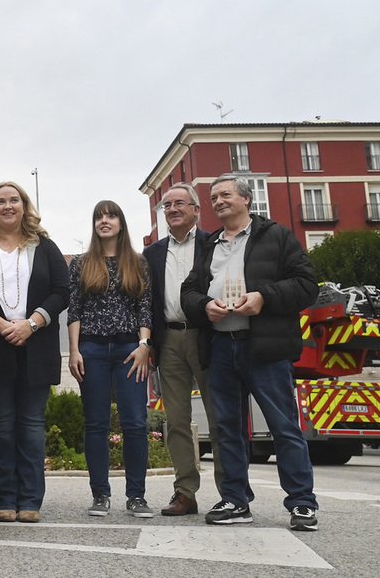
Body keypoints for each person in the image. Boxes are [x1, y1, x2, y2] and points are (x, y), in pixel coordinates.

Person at [181, 174, 319, 531]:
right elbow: (189, 292)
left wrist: (264, 297)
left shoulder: (276, 235)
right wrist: (204, 306)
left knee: (283, 426)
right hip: (221, 347)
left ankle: (302, 503)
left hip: (266, 349)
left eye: (225, 195)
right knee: (228, 429)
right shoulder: (209, 244)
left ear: (246, 198)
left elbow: (307, 286)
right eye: (213, 197)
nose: (218, 202)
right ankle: (236, 500)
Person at [0, 181, 69, 523]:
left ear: (24, 206)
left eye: (14, 200)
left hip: (36, 345)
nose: (7, 206)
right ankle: (3, 497)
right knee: (2, 425)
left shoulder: (44, 246)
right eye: (0, 201)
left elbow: (61, 291)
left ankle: (30, 500)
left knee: (32, 424)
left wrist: (31, 323)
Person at [68, 200, 155, 519]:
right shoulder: (80, 263)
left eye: (111, 216)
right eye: (99, 217)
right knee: (96, 424)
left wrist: (145, 344)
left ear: (121, 223)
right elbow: (74, 309)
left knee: (135, 423)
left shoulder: (138, 263)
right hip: (91, 351)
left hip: (130, 351)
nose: (105, 221)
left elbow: (144, 307)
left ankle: (136, 496)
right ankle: (100, 494)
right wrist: (75, 350)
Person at [142, 184, 222, 516]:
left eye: (179, 203)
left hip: (207, 336)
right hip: (169, 339)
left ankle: (230, 493)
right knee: (176, 420)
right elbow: (145, 301)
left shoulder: (214, 244)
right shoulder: (152, 253)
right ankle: (185, 492)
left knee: (220, 418)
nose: (173, 209)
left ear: (195, 209)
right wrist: (147, 344)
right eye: (167, 205)